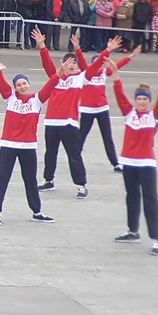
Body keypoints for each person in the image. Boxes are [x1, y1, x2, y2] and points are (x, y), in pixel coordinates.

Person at [33, 29, 120, 199]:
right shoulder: (55, 76)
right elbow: (46, 63)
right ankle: (48, 180)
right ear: (62, 64)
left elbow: (94, 67)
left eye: (74, 63)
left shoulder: (81, 77)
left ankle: (81, 184)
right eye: (68, 63)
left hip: (69, 124)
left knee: (74, 155)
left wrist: (107, 50)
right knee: (50, 153)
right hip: (51, 123)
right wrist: (42, 45)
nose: (72, 65)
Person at [0, 53, 56, 226]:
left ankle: (37, 211)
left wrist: (59, 72)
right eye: (19, 85)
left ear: (29, 85)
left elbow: (51, 83)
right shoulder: (10, 99)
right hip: (8, 145)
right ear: (15, 88)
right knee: (2, 178)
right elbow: (1, 84)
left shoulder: (37, 100)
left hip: (28, 147)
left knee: (30, 179)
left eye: (25, 83)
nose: (23, 87)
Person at [112, 62, 158, 256]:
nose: (141, 101)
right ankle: (133, 231)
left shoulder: (154, 116)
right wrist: (115, 73)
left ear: (148, 100)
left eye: (144, 99)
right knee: (131, 197)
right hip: (129, 162)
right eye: (138, 98)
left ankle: (156, 239)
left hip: (146, 163)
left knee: (150, 200)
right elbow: (119, 96)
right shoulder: (129, 114)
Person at [80, 46, 137, 173]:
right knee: (81, 136)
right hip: (87, 110)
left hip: (102, 109)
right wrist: (78, 48)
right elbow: (81, 61)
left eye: (101, 64)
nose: (98, 66)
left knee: (107, 137)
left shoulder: (104, 74)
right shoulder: (85, 74)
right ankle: (75, 158)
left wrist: (130, 56)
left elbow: (116, 66)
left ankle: (115, 163)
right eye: (96, 63)